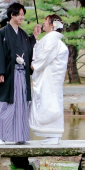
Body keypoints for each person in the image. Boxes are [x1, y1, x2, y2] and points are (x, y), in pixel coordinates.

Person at [0, 2, 42, 145]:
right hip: (8, 76)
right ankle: (1, 136)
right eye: (19, 14)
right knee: (6, 104)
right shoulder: (2, 33)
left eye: (23, 15)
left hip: (21, 75)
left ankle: (20, 136)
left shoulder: (23, 34)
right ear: (12, 15)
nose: (22, 17)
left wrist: (34, 36)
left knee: (21, 105)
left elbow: (28, 50)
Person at [28, 14, 69, 145]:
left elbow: (44, 56)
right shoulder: (52, 39)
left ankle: (54, 135)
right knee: (51, 104)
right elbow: (41, 50)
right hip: (52, 78)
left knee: (50, 104)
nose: (43, 23)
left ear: (52, 26)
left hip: (51, 79)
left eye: (46, 21)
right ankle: (52, 134)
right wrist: (36, 36)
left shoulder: (52, 39)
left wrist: (33, 65)